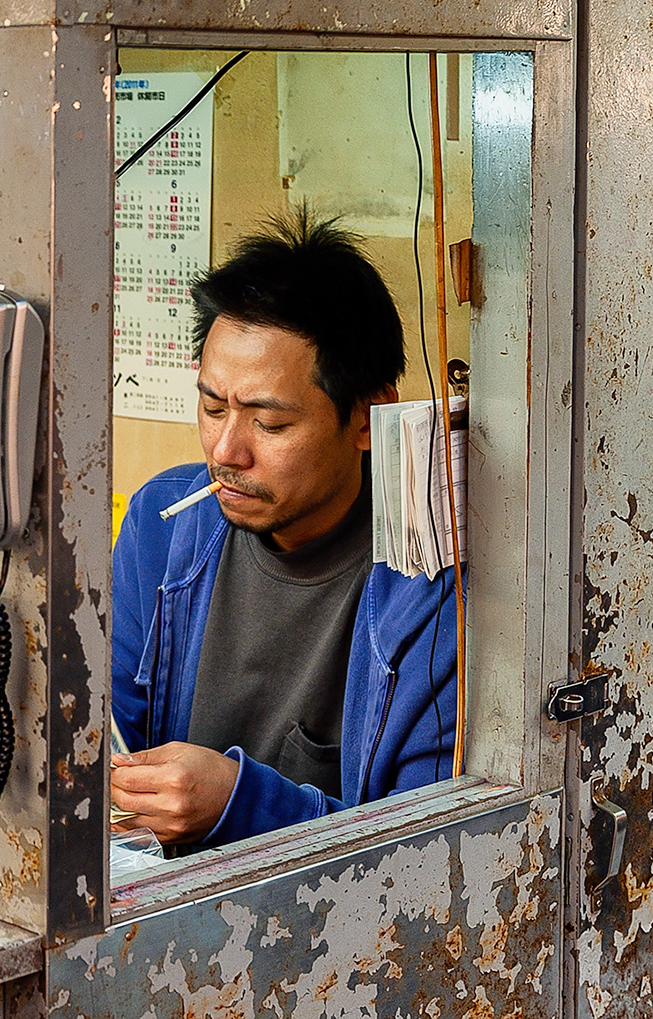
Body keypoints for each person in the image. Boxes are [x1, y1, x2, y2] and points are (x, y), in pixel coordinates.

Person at [110, 210, 456, 848]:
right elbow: (110, 741)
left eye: (269, 424)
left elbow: (425, 851)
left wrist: (240, 806)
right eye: (213, 408)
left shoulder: (431, 584)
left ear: (367, 418)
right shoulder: (161, 531)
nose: (227, 452)